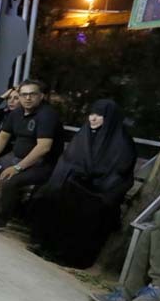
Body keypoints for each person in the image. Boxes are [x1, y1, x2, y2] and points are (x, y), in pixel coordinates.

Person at [27, 100, 136, 268]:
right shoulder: (83, 135)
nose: (93, 118)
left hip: (98, 193)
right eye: (91, 114)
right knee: (49, 195)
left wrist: (88, 178)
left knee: (80, 207)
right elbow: (68, 160)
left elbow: (118, 175)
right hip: (73, 184)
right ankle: (45, 244)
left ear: (110, 118)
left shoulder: (123, 144)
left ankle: (66, 255)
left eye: (99, 115)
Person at [0, 79, 63, 231]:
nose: (27, 98)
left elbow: (43, 147)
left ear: (41, 96)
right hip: (13, 158)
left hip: (39, 164)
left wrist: (17, 168)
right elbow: (4, 135)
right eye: (24, 94)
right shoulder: (17, 112)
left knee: (9, 180)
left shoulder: (47, 115)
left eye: (32, 94)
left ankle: (0, 219)